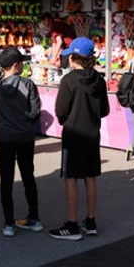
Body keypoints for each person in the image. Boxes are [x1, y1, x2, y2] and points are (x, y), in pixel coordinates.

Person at [50, 37, 109, 241]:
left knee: (71, 178)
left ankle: (72, 224)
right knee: (90, 177)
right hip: (92, 133)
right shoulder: (99, 80)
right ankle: (91, 221)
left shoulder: (69, 80)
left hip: (74, 133)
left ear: (74, 58)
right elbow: (104, 110)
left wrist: (68, 118)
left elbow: (60, 110)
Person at [0, 46, 42, 237]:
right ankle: (34, 217)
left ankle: (9, 223)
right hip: (25, 135)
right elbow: (36, 111)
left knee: (6, 179)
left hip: (5, 135)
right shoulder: (28, 85)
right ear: (15, 65)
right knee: (28, 176)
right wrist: (26, 118)